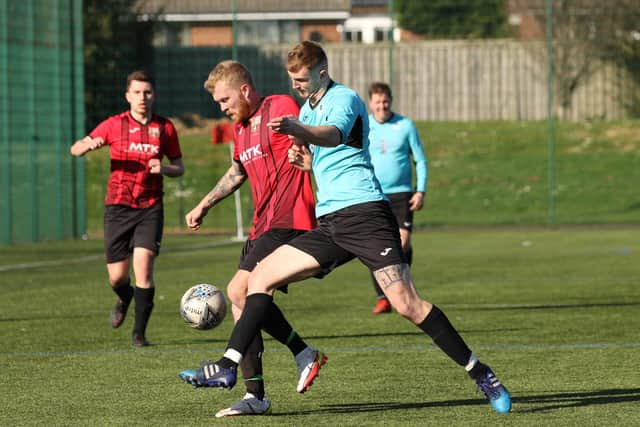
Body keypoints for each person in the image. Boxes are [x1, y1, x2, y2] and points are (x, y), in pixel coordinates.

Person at [178, 41, 512, 415]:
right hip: (331, 223)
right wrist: (307, 162)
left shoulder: (345, 99)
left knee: (406, 304)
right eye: (293, 80)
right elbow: (326, 160)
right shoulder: (306, 107)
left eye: (302, 79)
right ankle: (230, 368)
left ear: (322, 71)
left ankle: (480, 372)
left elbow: (334, 135)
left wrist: (299, 130)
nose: (298, 86)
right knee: (257, 280)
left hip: (367, 215)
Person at [182, 60, 322, 418]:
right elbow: (236, 172)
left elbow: (314, 137)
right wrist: (204, 204)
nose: (223, 108)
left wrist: (304, 149)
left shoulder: (280, 107)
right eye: (218, 103)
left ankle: (232, 367)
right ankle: (257, 393)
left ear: (245, 90)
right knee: (243, 302)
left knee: (237, 290)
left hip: (290, 219)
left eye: (225, 100)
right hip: (262, 226)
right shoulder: (240, 130)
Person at [70, 70, 184, 347]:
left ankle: (139, 334)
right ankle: (124, 297)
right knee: (117, 276)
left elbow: (179, 168)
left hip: (150, 207)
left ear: (153, 95)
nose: (142, 97)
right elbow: (75, 148)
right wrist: (88, 145)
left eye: (147, 92)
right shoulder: (114, 125)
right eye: (137, 92)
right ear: (127, 96)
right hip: (118, 207)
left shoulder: (165, 128)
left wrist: (164, 168)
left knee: (143, 268)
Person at [366, 81, 428, 315]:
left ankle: (402, 289)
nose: (382, 106)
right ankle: (384, 297)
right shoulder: (365, 126)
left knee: (402, 244)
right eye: (377, 102)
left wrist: (420, 190)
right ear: (370, 103)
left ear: (390, 101)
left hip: (402, 193)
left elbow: (420, 160)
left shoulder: (405, 125)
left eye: (385, 102)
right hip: (374, 194)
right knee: (378, 247)